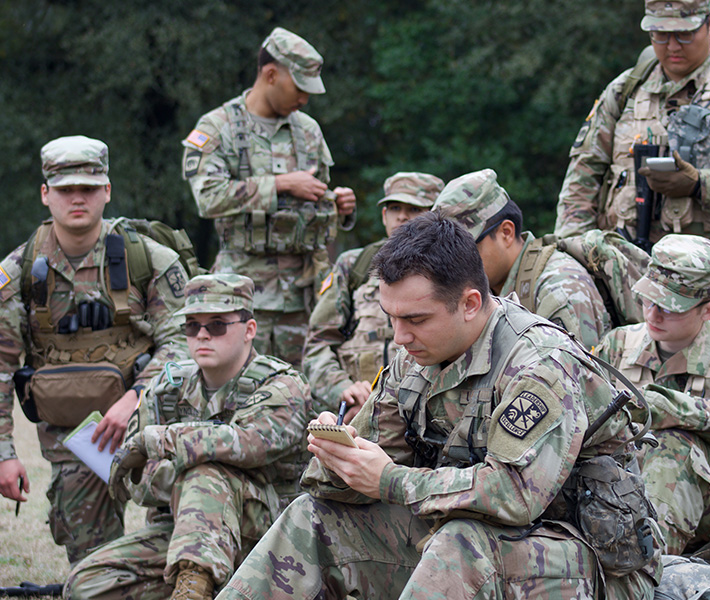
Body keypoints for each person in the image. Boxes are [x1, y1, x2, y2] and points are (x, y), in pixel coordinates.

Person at [216, 212, 660, 600]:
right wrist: (341, 459)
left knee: (459, 543)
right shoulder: (415, 358)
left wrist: (389, 479)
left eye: (415, 319)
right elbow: (354, 479)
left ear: (469, 304)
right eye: (392, 318)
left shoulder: (538, 363)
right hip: (472, 540)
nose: (400, 336)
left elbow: (515, 495)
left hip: (589, 560)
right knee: (311, 518)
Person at [554, 0, 710, 334]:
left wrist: (701, 184)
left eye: (684, 34)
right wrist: (575, 254)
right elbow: (583, 176)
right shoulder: (626, 90)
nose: (671, 46)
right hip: (632, 276)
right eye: (660, 33)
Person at [0, 135, 189, 564]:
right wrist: (4, 456)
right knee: (91, 566)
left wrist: (134, 398)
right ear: (46, 195)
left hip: (155, 425)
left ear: (107, 191)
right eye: (66, 189)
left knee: (183, 535)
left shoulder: (150, 260)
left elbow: (183, 343)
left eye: (89, 188)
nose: (77, 198)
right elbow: (0, 367)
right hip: (74, 438)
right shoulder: (18, 273)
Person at [65, 273, 312, 600]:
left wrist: (162, 442)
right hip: (183, 532)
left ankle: (195, 591)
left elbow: (251, 443)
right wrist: (183, 477)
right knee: (84, 584)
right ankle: (202, 583)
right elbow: (135, 478)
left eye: (218, 325)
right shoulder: (166, 389)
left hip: (269, 540)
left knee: (204, 475)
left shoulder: (282, 385)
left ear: (249, 330)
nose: (203, 335)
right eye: (192, 326)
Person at [181, 26, 357, 367]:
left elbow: (315, 202)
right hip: (241, 297)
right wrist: (280, 183)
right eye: (300, 88)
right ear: (271, 74)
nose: (305, 99)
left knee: (304, 392)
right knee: (242, 388)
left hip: (304, 297)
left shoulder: (308, 131)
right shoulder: (218, 128)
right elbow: (208, 197)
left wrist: (340, 206)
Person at [594, 234, 710, 555]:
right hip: (629, 483)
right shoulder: (619, 344)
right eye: (648, 300)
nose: (652, 314)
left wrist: (660, 407)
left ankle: (649, 565)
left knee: (672, 446)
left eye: (669, 307)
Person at [302, 171, 443, 420]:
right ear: (383, 215)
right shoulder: (355, 264)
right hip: (359, 410)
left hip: (428, 411)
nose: (402, 216)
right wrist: (342, 389)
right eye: (394, 207)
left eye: (414, 208)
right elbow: (317, 345)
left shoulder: (452, 270)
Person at [435, 168, 611, 348]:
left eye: (468, 248)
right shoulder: (485, 288)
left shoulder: (559, 290)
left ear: (506, 233)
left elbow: (579, 373)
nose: (456, 262)